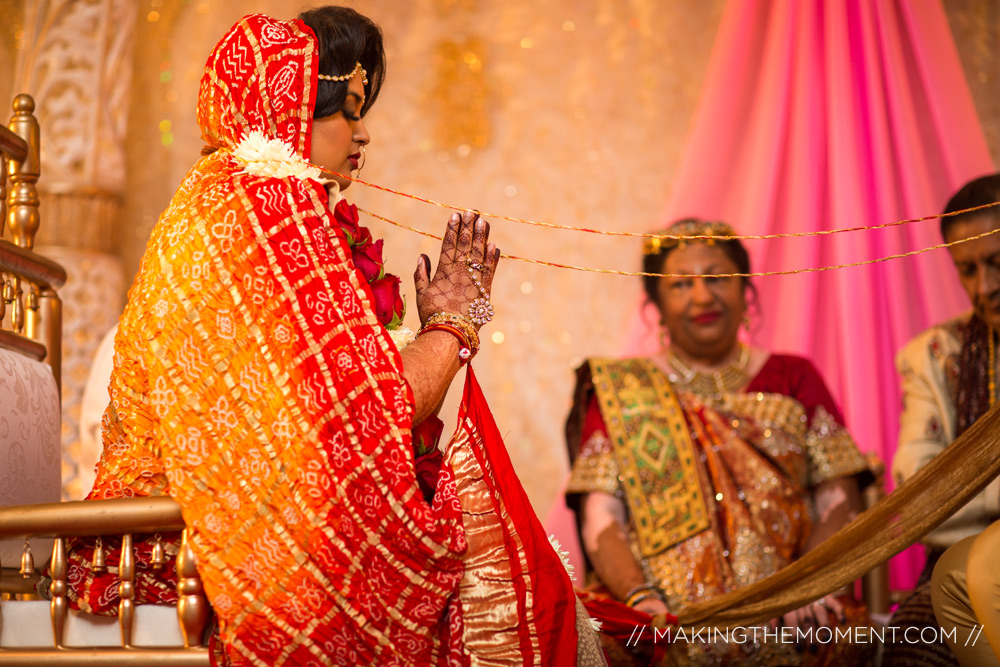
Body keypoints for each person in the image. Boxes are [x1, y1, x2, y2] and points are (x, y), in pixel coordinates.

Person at [62, 9, 600, 666]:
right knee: (518, 595)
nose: (364, 132)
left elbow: (335, 417)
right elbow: (370, 419)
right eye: (347, 109)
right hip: (198, 570)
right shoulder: (268, 214)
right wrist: (454, 324)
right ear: (291, 108)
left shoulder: (213, 198)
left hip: (174, 547)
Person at [565, 219, 873, 665]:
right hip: (662, 609)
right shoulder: (624, 389)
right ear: (655, 302)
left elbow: (839, 499)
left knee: (843, 641)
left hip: (791, 601)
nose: (702, 296)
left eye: (716, 278)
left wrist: (806, 586)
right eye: (681, 285)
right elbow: (601, 513)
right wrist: (641, 601)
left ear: (745, 290)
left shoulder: (793, 375)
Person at [886, 174, 1000, 666]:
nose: (986, 286)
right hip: (963, 560)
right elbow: (921, 490)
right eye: (968, 270)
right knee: (914, 636)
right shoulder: (934, 356)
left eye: (997, 262)